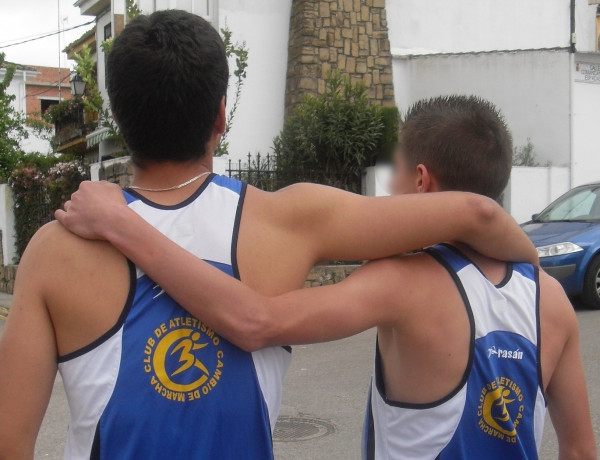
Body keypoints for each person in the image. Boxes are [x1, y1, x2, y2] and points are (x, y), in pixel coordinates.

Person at [0, 12, 536, 460]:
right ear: (220, 115)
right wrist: (534, 277)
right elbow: (479, 215)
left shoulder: (57, 250)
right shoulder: (289, 219)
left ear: (118, 116)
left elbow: (10, 443)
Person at [55, 96, 595, 459]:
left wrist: (123, 225)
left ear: (422, 182)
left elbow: (255, 320)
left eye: (396, 171)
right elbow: (579, 450)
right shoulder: (549, 299)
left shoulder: (401, 283)